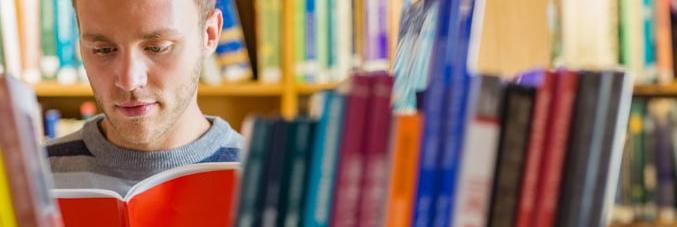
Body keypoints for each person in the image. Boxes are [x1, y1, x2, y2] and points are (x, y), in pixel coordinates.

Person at [47, 0, 243, 195]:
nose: (129, 81)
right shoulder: (32, 177)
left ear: (209, 35)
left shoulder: (266, 182)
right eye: (103, 50)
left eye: (157, 48)